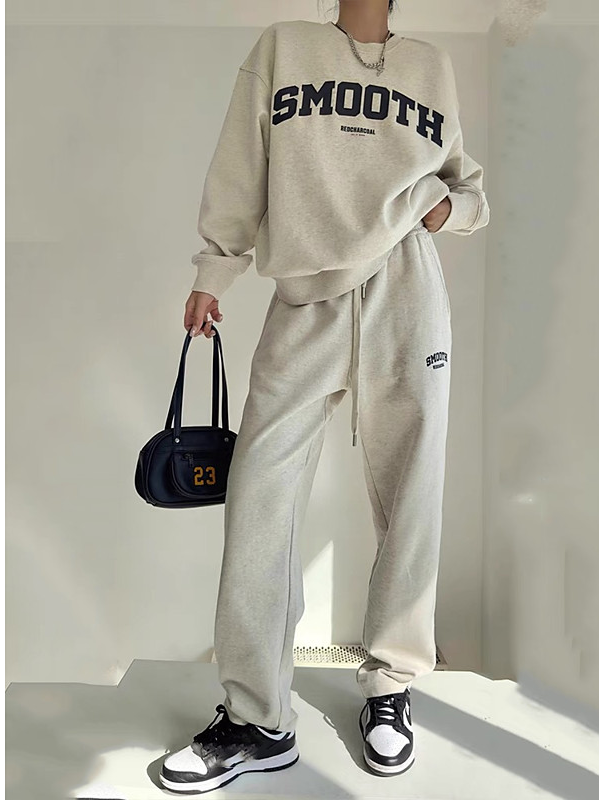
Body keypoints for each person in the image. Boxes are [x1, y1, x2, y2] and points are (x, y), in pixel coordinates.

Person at [160, 0, 490, 793]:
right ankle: (256, 718)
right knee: (260, 500)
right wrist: (215, 270)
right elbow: (242, 162)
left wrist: (449, 208)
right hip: (305, 301)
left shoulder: (430, 67)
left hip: (408, 292)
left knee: (412, 496)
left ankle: (391, 685)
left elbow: (468, 189)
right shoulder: (285, 47)